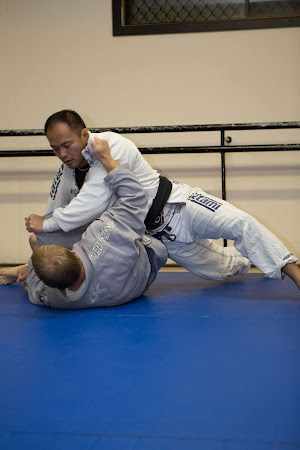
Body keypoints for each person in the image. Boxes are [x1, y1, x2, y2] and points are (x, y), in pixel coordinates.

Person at [24, 109, 300, 290]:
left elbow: (91, 203)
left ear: (84, 135)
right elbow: (59, 218)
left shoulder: (111, 145)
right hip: (160, 236)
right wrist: (40, 249)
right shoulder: (67, 173)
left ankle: (295, 274)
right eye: (55, 148)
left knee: (239, 223)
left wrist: (47, 225)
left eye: (67, 145)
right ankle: (250, 259)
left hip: (179, 205)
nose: (62, 153)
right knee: (221, 270)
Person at [0, 145, 168, 309]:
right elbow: (135, 198)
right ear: (73, 252)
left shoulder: (54, 299)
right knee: (50, 231)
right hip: (145, 261)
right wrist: (106, 158)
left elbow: (35, 289)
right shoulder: (104, 239)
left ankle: (27, 268)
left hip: (125, 288)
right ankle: (31, 265)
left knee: (38, 244)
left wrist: (31, 271)